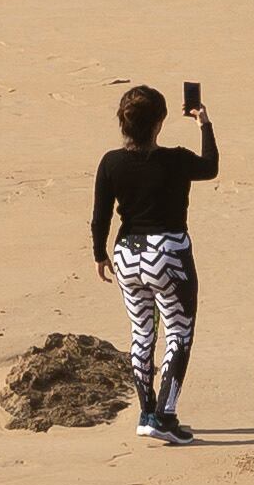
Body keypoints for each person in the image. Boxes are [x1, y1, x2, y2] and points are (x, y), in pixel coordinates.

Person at [90, 83, 218, 441]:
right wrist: (204, 123)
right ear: (159, 124)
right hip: (169, 254)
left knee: (142, 333)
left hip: (127, 255)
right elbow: (210, 167)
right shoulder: (176, 159)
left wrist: (99, 254)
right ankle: (165, 416)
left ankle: (147, 414)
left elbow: (100, 216)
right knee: (178, 333)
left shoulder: (111, 162)